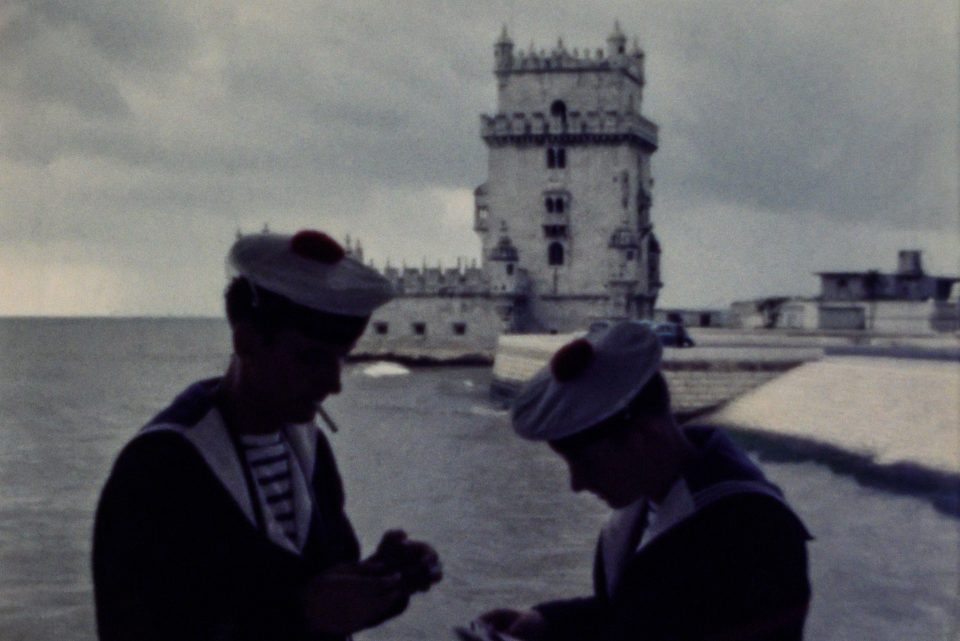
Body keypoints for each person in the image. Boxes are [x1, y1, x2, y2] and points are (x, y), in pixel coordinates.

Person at [92, 230, 442, 641]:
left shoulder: (310, 446)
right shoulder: (156, 469)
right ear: (247, 342)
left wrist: (383, 581)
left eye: (341, 359)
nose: (334, 384)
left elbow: (325, 597)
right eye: (310, 358)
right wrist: (301, 617)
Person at [479, 321, 812, 641]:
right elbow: (635, 616)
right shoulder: (653, 500)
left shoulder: (756, 531)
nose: (577, 484)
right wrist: (547, 623)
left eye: (587, 463)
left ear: (643, 436)